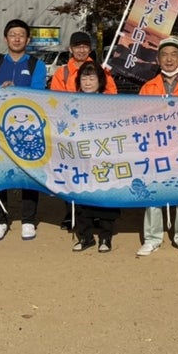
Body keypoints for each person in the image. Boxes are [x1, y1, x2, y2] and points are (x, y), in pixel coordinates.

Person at [0, 19, 50, 241]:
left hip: (28, 129)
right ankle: (0, 221)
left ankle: (28, 220)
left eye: (21, 35)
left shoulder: (36, 65)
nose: (17, 38)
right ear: (5, 38)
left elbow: (39, 95)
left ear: (28, 39)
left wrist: (15, 90)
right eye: (13, 34)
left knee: (29, 174)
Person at [135, 39, 178, 255]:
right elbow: (138, 117)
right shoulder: (149, 87)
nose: (168, 59)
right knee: (154, 193)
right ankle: (152, 237)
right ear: (158, 59)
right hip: (157, 148)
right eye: (164, 54)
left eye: (173, 54)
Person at [67, 64, 120, 252]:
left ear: (100, 81)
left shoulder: (110, 103)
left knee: (105, 196)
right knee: (82, 196)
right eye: (84, 78)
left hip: (103, 157)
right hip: (80, 157)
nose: (88, 83)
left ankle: (105, 237)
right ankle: (85, 236)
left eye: (92, 78)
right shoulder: (70, 102)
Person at [48, 31, 115, 93]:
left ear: (90, 49)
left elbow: (111, 97)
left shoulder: (101, 70)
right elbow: (56, 99)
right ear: (70, 49)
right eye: (77, 47)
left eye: (85, 46)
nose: (82, 50)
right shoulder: (61, 73)